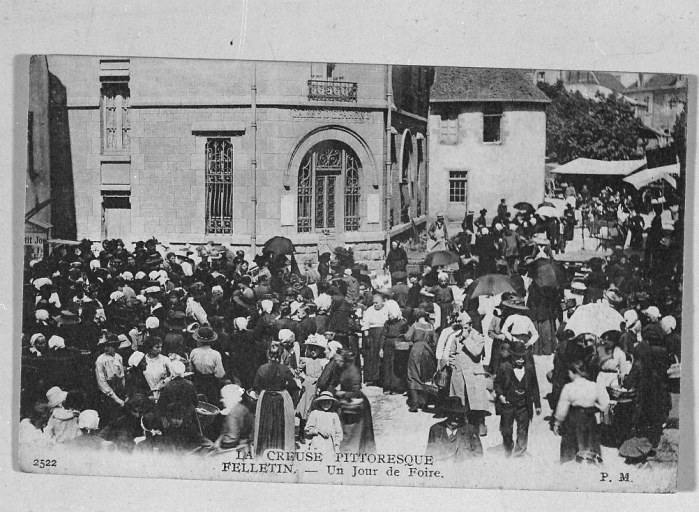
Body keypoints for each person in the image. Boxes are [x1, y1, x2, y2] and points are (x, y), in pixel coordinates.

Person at [553, 360, 610, 464]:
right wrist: (594, 405)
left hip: (574, 419)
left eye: (569, 373)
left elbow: (562, 409)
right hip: (590, 419)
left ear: (574, 372)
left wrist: (557, 422)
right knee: (590, 444)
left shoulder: (569, 387)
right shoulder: (594, 386)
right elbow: (605, 404)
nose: (569, 375)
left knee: (571, 447)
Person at [493, 341, 541, 457]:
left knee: (523, 429)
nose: (521, 360)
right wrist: (501, 396)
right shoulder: (504, 367)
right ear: (512, 356)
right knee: (506, 430)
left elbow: (534, 386)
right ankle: (508, 446)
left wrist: (537, 405)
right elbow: (497, 384)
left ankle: (519, 453)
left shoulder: (529, 369)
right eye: (517, 358)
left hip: (524, 404)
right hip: (508, 403)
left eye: (523, 358)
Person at [447, 312, 491, 436]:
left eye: (466, 327)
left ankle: (480, 423)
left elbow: (476, 352)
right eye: (462, 328)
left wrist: (466, 339)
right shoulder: (456, 337)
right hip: (460, 373)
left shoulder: (478, 336)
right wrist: (453, 364)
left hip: (474, 374)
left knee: (477, 402)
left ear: (471, 325)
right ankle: (464, 425)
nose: (463, 330)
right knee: (462, 401)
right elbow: (452, 353)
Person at [252, 343, 299, 456]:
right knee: (279, 425)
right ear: (281, 355)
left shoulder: (262, 368)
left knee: (266, 424)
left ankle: (264, 450)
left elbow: (255, 386)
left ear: (269, 355)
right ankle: (279, 450)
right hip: (280, 400)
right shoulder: (284, 369)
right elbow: (293, 386)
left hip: (266, 400)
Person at [425, 396, 483, 462]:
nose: (456, 418)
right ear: (446, 414)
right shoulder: (435, 430)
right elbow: (429, 456)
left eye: (459, 414)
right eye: (453, 414)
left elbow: (478, 455)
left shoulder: (470, 430)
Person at [405, 309, 437, 412]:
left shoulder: (415, 325)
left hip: (416, 350)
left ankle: (414, 404)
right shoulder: (430, 326)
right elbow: (434, 341)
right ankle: (424, 403)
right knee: (425, 376)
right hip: (427, 351)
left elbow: (407, 337)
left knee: (413, 375)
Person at [213, 385, 256, 455]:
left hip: (236, 449)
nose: (221, 400)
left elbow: (232, 439)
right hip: (248, 444)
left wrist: (219, 445)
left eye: (224, 398)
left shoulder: (232, 415)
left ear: (232, 398)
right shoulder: (242, 408)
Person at [95, 333, 126, 426]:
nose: (106, 348)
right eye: (106, 346)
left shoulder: (118, 357)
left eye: (109, 346)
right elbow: (101, 382)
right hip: (107, 394)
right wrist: (116, 398)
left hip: (119, 390)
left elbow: (122, 377)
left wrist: (123, 392)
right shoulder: (100, 360)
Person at [189, 326, 226, 404]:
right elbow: (220, 374)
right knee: (211, 403)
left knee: (197, 402)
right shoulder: (216, 354)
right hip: (211, 384)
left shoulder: (194, 352)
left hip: (197, 382)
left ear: (199, 340)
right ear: (212, 341)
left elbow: (191, 369)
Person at [380, 299, 409, 395]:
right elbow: (383, 335)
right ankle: (387, 386)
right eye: (388, 314)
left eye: (390, 314)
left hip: (398, 346)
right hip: (388, 345)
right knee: (387, 366)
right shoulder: (387, 323)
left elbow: (406, 336)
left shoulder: (403, 323)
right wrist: (381, 348)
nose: (389, 316)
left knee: (396, 367)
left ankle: (397, 387)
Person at [360, 293, 389, 386]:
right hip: (372, 335)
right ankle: (372, 378)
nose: (375, 305)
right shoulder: (369, 310)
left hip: (383, 334)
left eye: (377, 302)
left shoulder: (386, 309)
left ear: (382, 302)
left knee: (382, 357)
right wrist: (367, 337)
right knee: (371, 357)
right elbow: (365, 324)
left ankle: (381, 379)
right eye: (374, 303)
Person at [304, 391, 344, 456]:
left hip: (330, 445)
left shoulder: (334, 415)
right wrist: (318, 430)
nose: (326, 404)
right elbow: (307, 429)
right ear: (320, 402)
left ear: (332, 403)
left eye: (329, 402)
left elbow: (339, 432)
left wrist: (337, 445)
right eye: (324, 401)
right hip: (317, 444)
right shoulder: (315, 413)